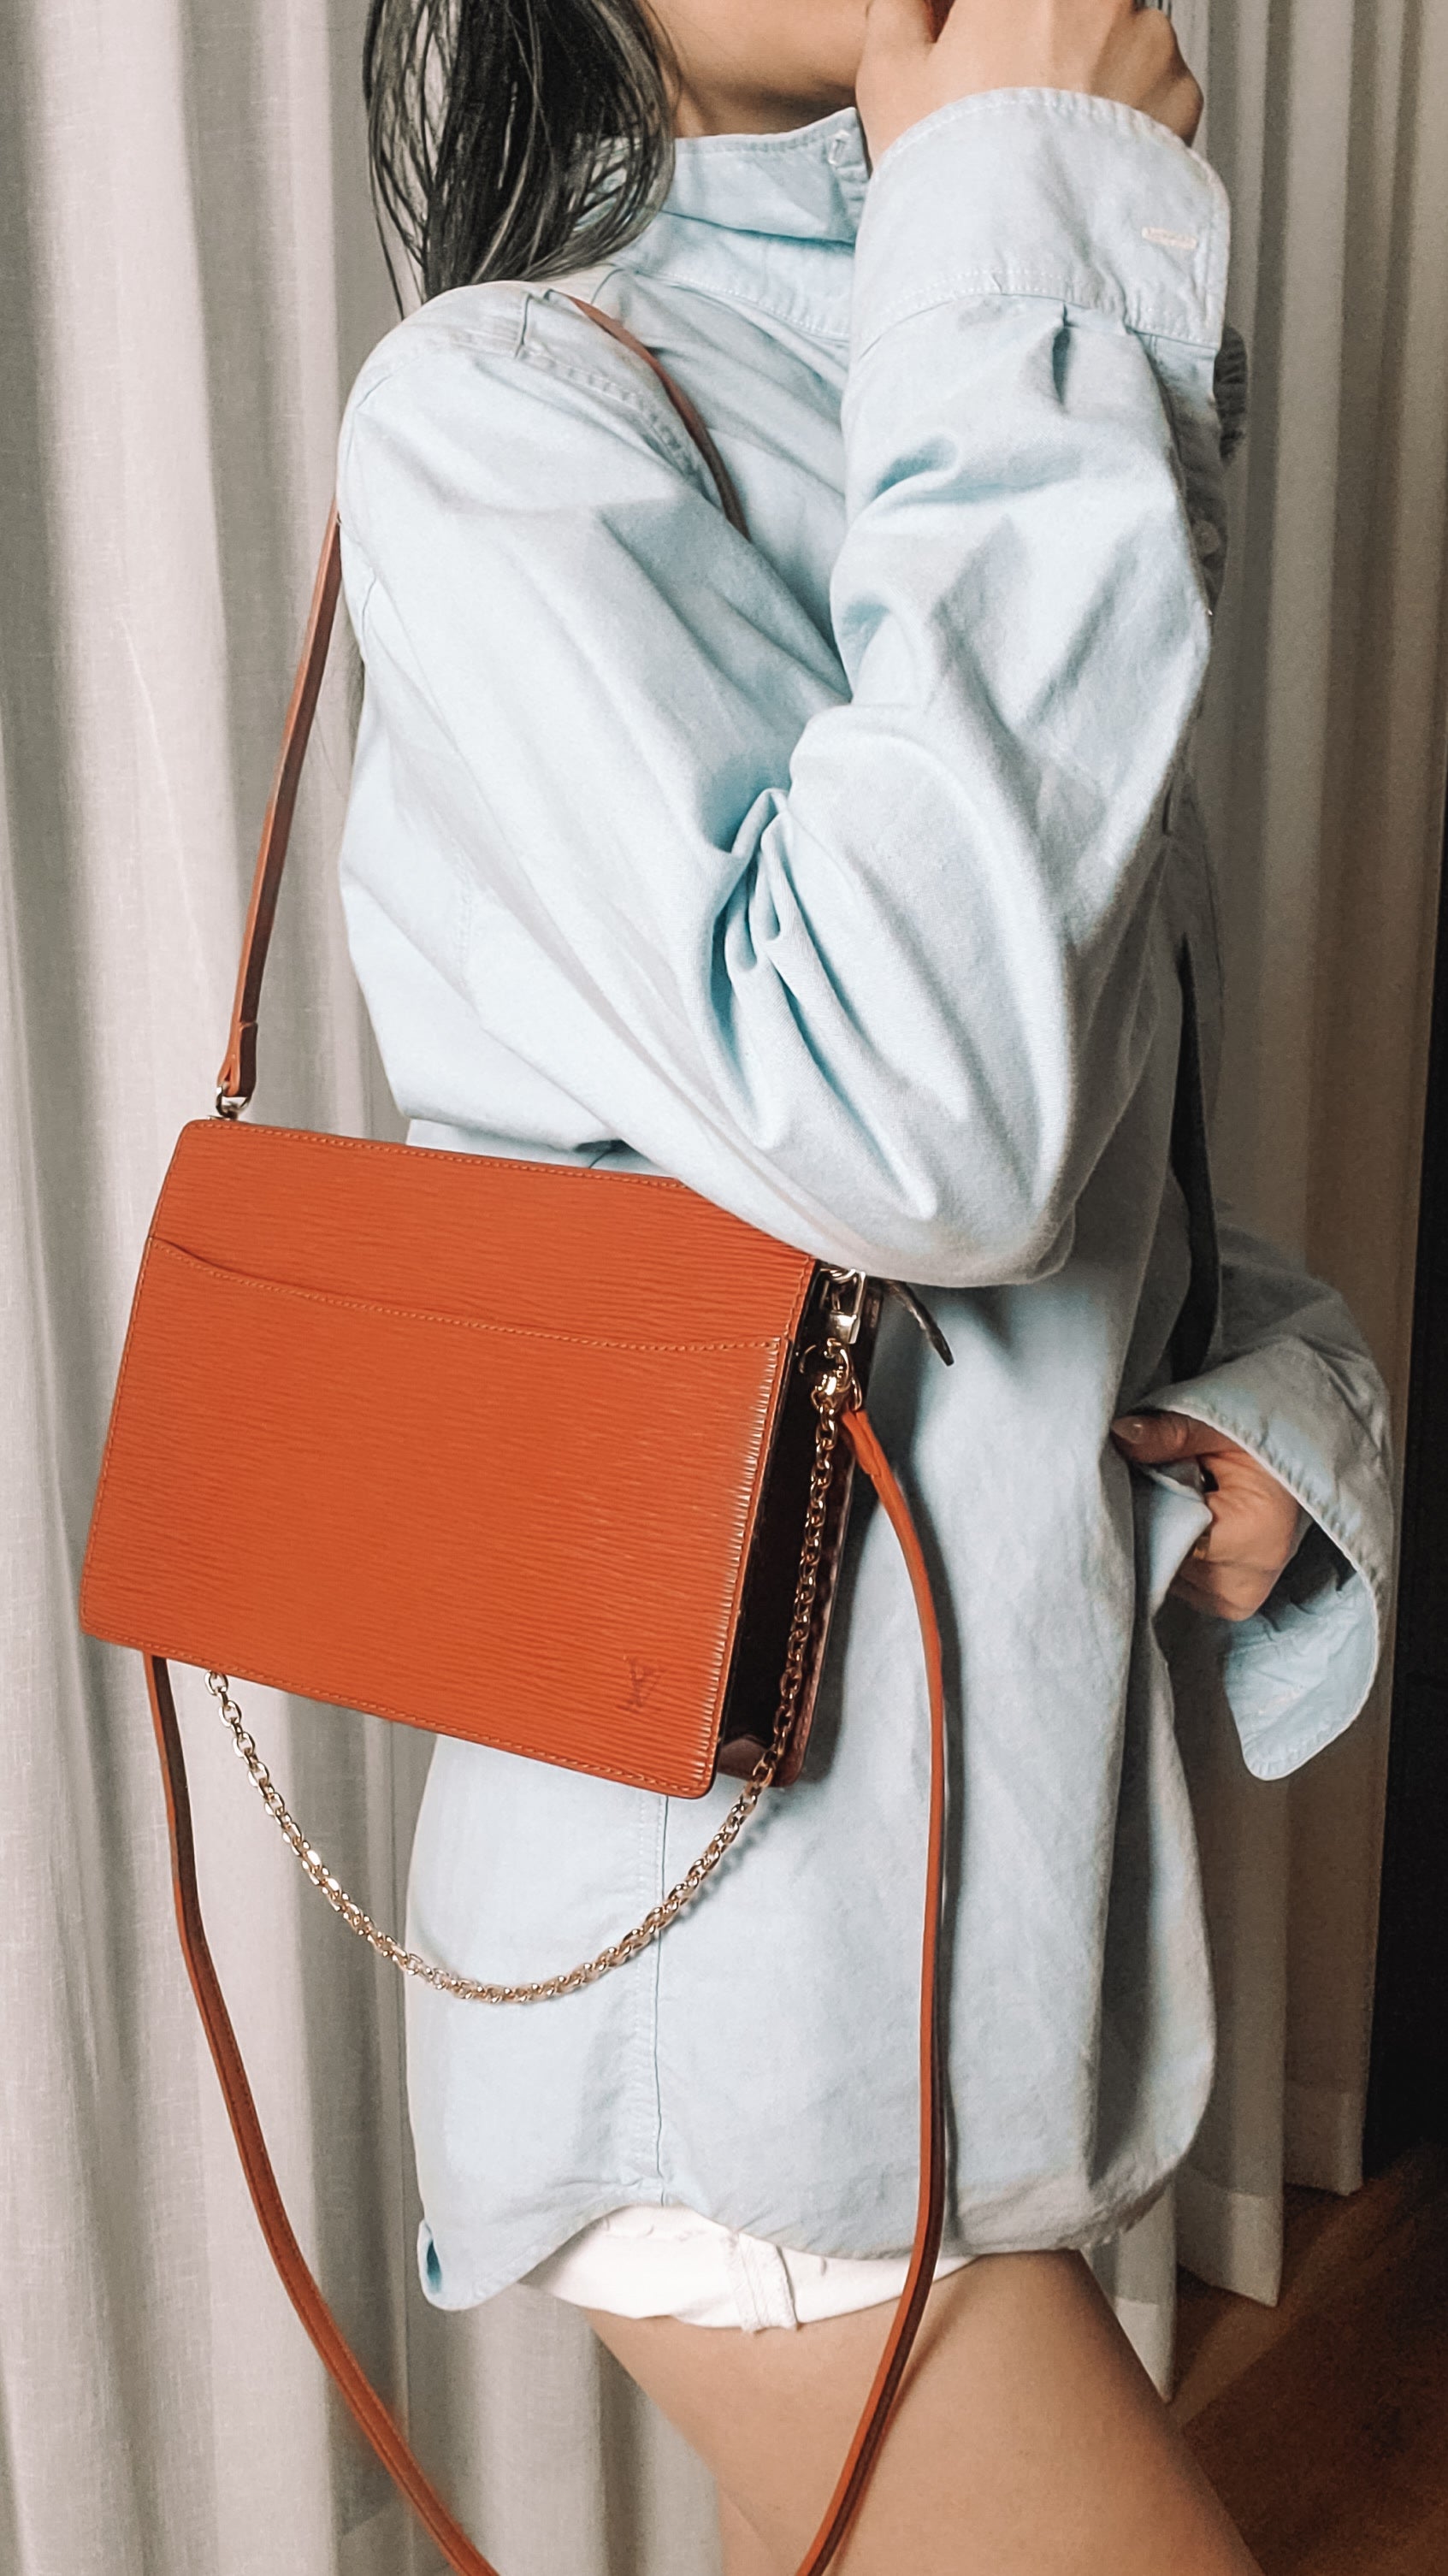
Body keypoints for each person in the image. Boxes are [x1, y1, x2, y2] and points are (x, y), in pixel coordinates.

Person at [338, 2, 1394, 2566]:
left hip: (955, 1924)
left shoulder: (975, 345)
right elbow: (920, 1115)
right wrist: (1026, 229)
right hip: (731, 1938)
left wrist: (1275, 1397)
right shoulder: (509, 414)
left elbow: (1068, 1153)